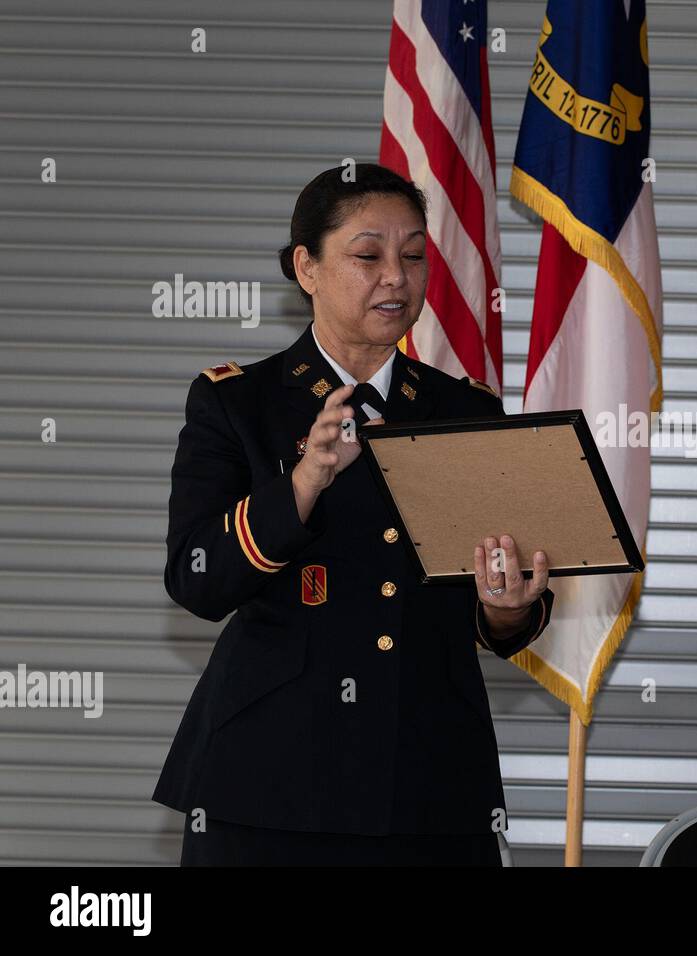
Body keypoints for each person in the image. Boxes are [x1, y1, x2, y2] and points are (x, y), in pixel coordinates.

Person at [152, 163, 555, 866]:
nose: (395, 277)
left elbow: (498, 610)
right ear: (306, 267)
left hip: (428, 783)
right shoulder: (238, 403)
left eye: (413, 256)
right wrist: (301, 484)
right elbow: (196, 580)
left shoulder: (466, 412)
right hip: (270, 782)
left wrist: (509, 607)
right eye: (367, 255)